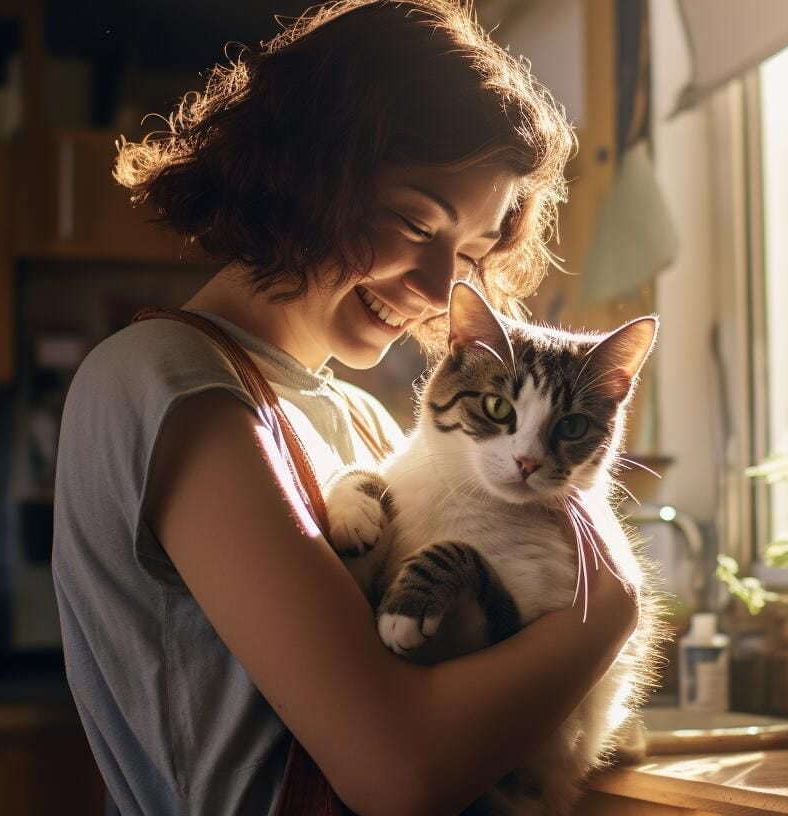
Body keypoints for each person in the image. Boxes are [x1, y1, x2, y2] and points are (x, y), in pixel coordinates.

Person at [50, 2, 640, 814]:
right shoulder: (169, 379)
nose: (440, 290)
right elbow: (398, 775)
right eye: (412, 222)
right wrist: (612, 612)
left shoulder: (362, 419)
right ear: (304, 169)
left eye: (470, 251)